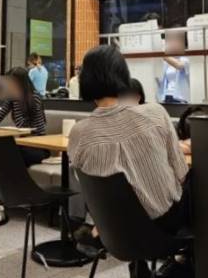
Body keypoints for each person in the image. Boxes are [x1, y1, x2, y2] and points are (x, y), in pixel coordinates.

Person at [68, 45, 191, 278]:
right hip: (163, 226)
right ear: (123, 75)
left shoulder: (78, 133)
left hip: (113, 230)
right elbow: (181, 173)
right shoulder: (155, 113)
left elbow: (87, 185)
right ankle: (185, 263)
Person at [0, 67, 49, 166]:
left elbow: (37, 129)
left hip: (37, 147)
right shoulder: (11, 98)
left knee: (13, 151)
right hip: (21, 143)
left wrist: (18, 102)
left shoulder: (34, 97)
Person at [157, 31, 190, 104]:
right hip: (167, 96)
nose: (172, 43)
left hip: (181, 98)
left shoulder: (186, 58)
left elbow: (179, 65)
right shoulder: (167, 60)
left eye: (176, 40)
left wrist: (163, 55)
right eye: (169, 41)